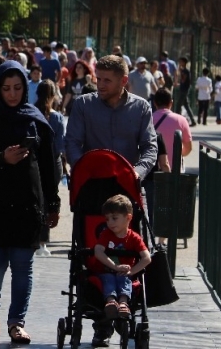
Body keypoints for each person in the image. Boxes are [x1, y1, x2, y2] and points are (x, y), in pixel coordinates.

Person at [65, 55, 157, 348]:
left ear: (123, 81)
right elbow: (72, 143)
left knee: (131, 249)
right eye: (97, 78)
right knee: (91, 253)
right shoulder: (83, 105)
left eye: (107, 80)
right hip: (92, 194)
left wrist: (135, 174)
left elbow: (150, 148)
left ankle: (129, 308)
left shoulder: (141, 108)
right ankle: (100, 322)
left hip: (128, 192)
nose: (99, 84)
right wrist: (85, 173)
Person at [0, 60, 60, 345]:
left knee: (23, 267)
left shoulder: (35, 119)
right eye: (6, 88)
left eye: (17, 88)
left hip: (27, 204)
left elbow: (48, 166)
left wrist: (53, 203)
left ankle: (17, 322)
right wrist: (1, 159)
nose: (11, 94)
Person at [94, 195, 151, 320]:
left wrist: (132, 271)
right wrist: (115, 266)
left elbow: (147, 258)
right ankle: (111, 301)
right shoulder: (106, 234)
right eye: (107, 219)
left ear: (128, 218)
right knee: (109, 278)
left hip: (124, 272)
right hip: (107, 270)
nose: (110, 223)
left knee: (125, 278)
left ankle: (123, 303)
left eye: (114, 218)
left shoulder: (134, 238)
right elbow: (98, 251)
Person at [34, 80, 65, 257]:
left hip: (33, 163)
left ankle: (32, 236)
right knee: (48, 201)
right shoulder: (57, 118)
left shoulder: (30, 113)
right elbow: (60, 146)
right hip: (53, 164)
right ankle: (43, 242)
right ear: (53, 95)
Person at [152, 89, 193, 171]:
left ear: (154, 103)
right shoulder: (181, 120)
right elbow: (188, 148)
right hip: (175, 170)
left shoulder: (147, 119)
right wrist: (178, 154)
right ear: (171, 103)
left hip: (152, 170)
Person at [176, 57, 197, 126]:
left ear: (184, 62)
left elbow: (183, 80)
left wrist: (180, 72)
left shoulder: (185, 71)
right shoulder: (184, 71)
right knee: (186, 106)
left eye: (181, 62)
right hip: (183, 89)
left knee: (178, 105)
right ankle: (193, 121)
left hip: (184, 90)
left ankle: (177, 120)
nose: (179, 63)